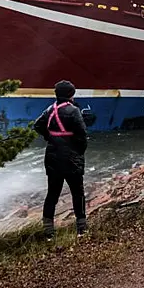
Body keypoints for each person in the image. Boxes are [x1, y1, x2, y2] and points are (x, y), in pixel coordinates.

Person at [33, 80, 89, 237]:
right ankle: (81, 229)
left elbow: (37, 125)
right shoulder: (74, 110)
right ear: (71, 94)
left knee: (52, 194)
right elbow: (82, 135)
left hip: (52, 156)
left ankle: (48, 231)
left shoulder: (51, 109)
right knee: (77, 193)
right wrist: (79, 150)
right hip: (71, 157)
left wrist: (50, 138)